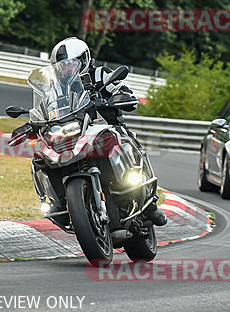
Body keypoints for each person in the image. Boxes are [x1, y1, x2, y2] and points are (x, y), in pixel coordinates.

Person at [48, 37, 167, 227]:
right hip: (77, 134)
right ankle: (60, 204)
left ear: (84, 59)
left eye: (71, 64)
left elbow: (122, 89)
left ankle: (149, 201)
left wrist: (121, 97)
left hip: (108, 127)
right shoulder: (56, 88)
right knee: (44, 154)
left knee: (126, 140)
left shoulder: (100, 75)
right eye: (62, 66)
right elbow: (48, 109)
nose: (66, 69)